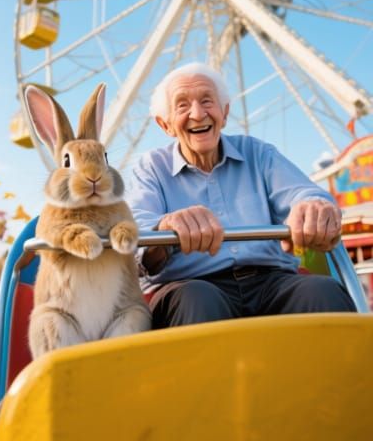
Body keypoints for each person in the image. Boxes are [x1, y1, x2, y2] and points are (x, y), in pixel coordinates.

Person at [127, 62, 356, 329]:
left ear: (224, 113)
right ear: (165, 125)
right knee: (197, 300)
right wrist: (165, 226)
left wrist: (314, 207)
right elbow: (137, 230)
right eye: (182, 106)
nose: (198, 114)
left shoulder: (257, 154)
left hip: (270, 280)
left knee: (323, 293)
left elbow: (302, 193)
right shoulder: (151, 167)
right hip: (192, 285)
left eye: (207, 101)